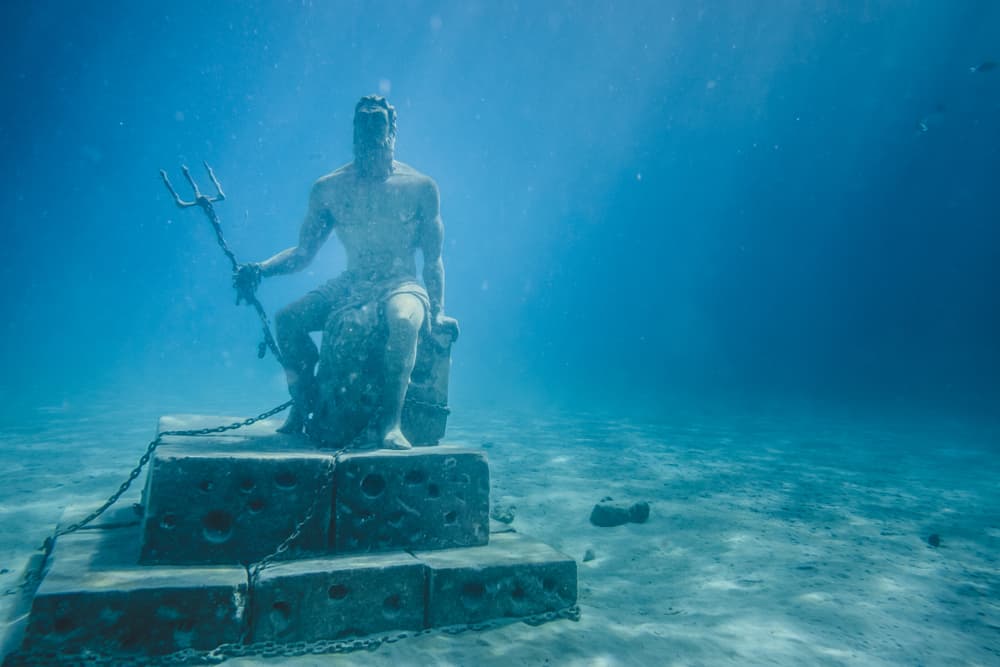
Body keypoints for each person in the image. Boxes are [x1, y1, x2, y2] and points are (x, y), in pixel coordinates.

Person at [234, 95, 459, 449]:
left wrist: (438, 309)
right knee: (288, 321)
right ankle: (303, 405)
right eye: (363, 122)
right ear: (353, 129)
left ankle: (391, 423)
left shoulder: (420, 188)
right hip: (351, 283)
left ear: (391, 128)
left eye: (377, 121)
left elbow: (433, 260)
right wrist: (261, 269)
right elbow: (303, 253)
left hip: (401, 282)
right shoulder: (329, 189)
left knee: (403, 322)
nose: (370, 130)